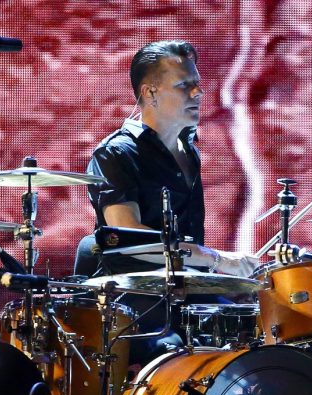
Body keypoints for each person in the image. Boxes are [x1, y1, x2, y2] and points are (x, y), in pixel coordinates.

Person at [86, 40, 259, 364]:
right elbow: (128, 237)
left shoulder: (188, 152)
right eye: (184, 86)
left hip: (184, 292)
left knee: (255, 330)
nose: (198, 94)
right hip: (136, 303)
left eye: (197, 85)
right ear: (150, 93)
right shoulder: (116, 153)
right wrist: (216, 259)